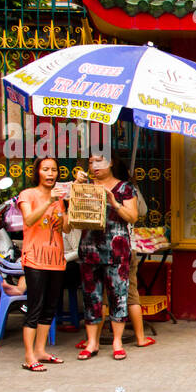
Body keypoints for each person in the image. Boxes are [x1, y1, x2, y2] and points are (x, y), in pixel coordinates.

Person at [76, 154, 138, 360]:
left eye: (99, 161)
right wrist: (77, 187)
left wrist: (114, 202)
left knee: (118, 295)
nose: (95, 166)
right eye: (91, 162)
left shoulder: (125, 189)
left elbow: (132, 217)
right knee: (91, 295)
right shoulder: (85, 185)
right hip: (89, 247)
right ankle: (92, 342)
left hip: (116, 248)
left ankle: (117, 341)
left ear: (111, 162)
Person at [16, 156, 69, 372]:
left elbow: (66, 229)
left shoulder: (59, 198)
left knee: (49, 308)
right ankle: (29, 356)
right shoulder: (27, 195)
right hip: (35, 258)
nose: (50, 174)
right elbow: (28, 220)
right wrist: (48, 201)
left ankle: (41, 350)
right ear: (37, 172)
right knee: (35, 307)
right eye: (46, 169)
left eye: (54, 170)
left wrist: (63, 216)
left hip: (56, 259)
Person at [125, 182, 156, 348]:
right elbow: (142, 211)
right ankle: (140, 337)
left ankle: (91, 340)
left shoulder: (95, 187)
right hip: (127, 246)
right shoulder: (129, 188)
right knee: (131, 291)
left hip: (105, 249)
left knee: (102, 297)